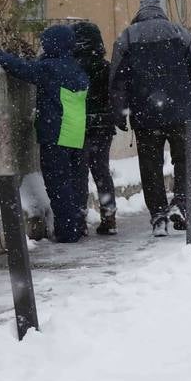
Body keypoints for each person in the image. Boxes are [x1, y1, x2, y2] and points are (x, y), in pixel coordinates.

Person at [0, 25, 90, 244]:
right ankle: (79, 224)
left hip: (56, 133)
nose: (42, 47)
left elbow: (22, 69)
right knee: (75, 182)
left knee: (58, 183)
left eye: (45, 43)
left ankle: (67, 231)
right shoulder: (77, 69)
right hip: (76, 133)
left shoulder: (49, 68)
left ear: (53, 44)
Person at [109, 0, 191, 238]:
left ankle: (158, 215)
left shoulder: (127, 36)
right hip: (181, 113)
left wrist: (119, 112)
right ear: (161, 11)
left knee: (150, 167)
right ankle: (181, 203)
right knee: (184, 161)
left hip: (145, 115)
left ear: (140, 11)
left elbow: (117, 80)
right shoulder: (180, 33)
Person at [72, 21, 117, 235]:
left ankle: (79, 220)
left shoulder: (73, 68)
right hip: (103, 125)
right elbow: (114, 95)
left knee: (79, 173)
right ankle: (108, 215)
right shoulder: (106, 67)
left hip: (80, 124)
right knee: (101, 171)